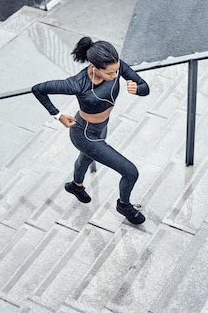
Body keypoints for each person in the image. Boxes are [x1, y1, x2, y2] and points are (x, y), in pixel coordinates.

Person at [31, 37, 149, 224]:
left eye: (116, 70)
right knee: (130, 172)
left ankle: (76, 186)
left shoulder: (116, 66)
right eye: (110, 73)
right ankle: (124, 205)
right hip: (84, 133)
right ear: (95, 67)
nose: (115, 74)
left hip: (101, 127)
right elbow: (38, 89)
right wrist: (58, 115)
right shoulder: (77, 83)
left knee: (86, 157)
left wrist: (138, 89)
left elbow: (145, 87)